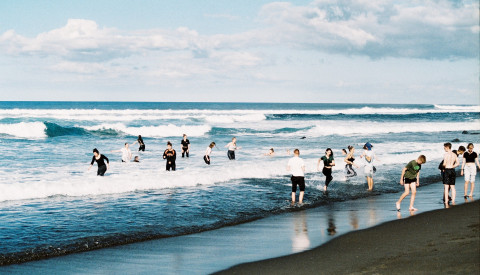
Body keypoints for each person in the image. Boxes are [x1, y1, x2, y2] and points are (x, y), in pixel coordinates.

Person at [442, 142, 459, 207]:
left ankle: (446, 201)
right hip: (452, 170)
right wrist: (453, 166)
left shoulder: (446, 155)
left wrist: (443, 167)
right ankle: (453, 200)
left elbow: (444, 163)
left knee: (446, 187)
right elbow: (457, 163)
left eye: (444, 148)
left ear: (447, 147)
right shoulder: (454, 154)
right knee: (452, 187)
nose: (444, 149)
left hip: (447, 170)